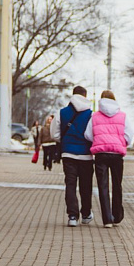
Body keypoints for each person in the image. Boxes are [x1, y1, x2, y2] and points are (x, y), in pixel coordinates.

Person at [85, 90, 133, 228]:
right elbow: (129, 135)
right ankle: (117, 215)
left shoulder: (94, 116)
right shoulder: (123, 116)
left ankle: (107, 220)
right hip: (117, 154)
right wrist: (120, 142)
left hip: (101, 154)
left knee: (103, 186)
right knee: (117, 185)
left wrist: (100, 140)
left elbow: (88, 135)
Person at [51, 86, 94, 227]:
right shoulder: (90, 114)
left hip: (68, 154)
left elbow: (55, 134)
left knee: (70, 184)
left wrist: (65, 141)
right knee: (85, 186)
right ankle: (86, 214)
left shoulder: (62, 112)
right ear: (85, 95)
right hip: (86, 155)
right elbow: (91, 135)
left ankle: (72, 216)